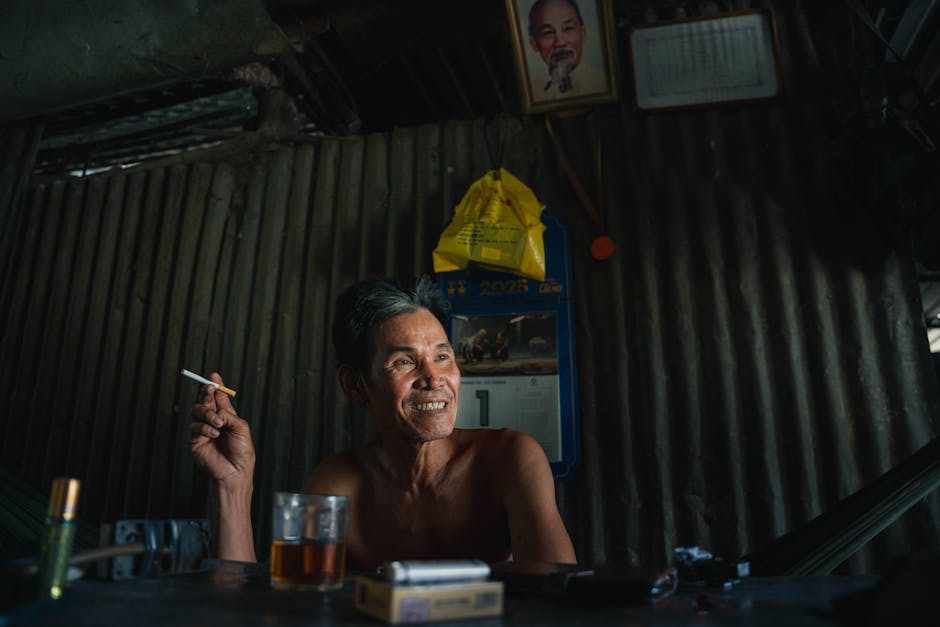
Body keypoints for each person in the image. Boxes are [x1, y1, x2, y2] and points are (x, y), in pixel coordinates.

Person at [190, 276, 576, 569]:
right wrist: (233, 485)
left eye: (442, 357)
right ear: (355, 384)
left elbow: (559, 602)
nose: (434, 379)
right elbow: (282, 605)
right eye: (404, 362)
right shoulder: (336, 486)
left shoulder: (510, 458)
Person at [526, 0, 607, 101]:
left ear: (583, 34)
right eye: (547, 32)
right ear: (534, 44)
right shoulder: (531, 93)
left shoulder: (602, 83)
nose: (560, 42)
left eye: (568, 28)